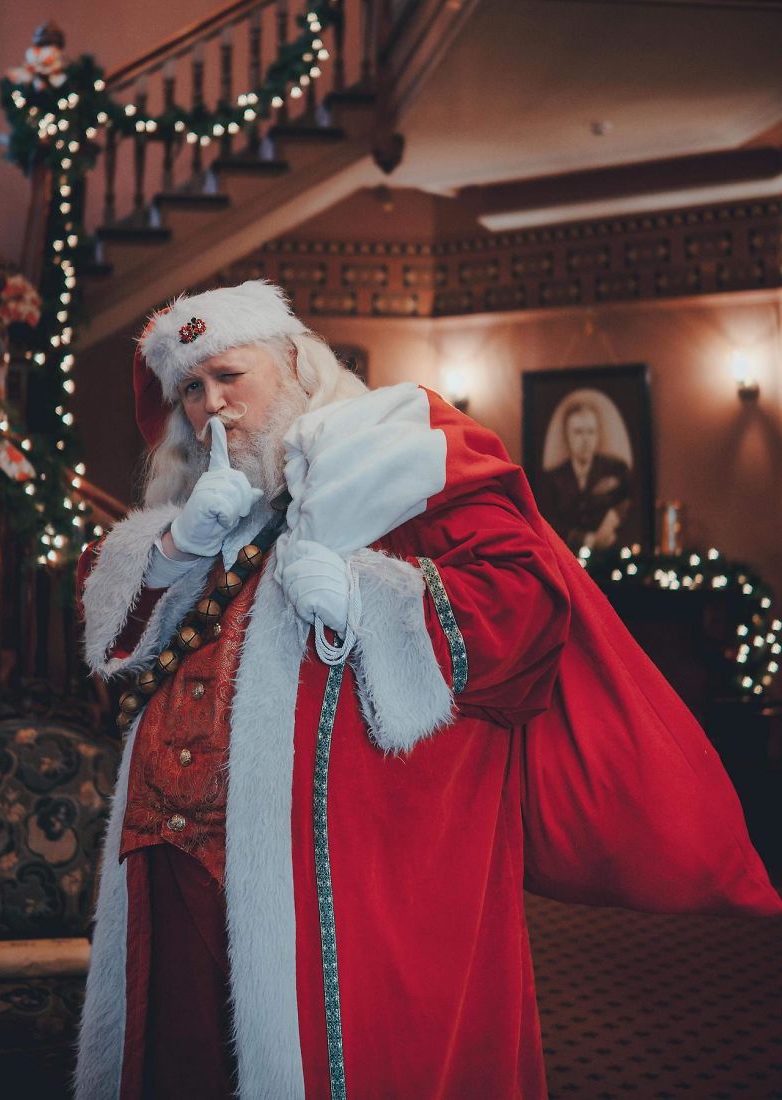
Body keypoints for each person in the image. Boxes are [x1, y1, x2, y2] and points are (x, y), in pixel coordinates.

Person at [74, 281, 780, 1100]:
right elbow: (115, 637)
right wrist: (172, 548)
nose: (210, 406)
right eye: (190, 389)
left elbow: (525, 607)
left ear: (296, 364)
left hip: (338, 878)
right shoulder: (200, 505)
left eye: (229, 375)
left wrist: (366, 599)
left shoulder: (400, 446)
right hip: (171, 866)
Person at [542, 400, 631, 552]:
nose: (585, 439)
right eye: (578, 432)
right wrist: (588, 539)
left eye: (591, 432)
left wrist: (614, 517)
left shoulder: (616, 469)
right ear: (567, 435)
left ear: (598, 435)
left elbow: (629, 502)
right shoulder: (553, 478)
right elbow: (548, 523)